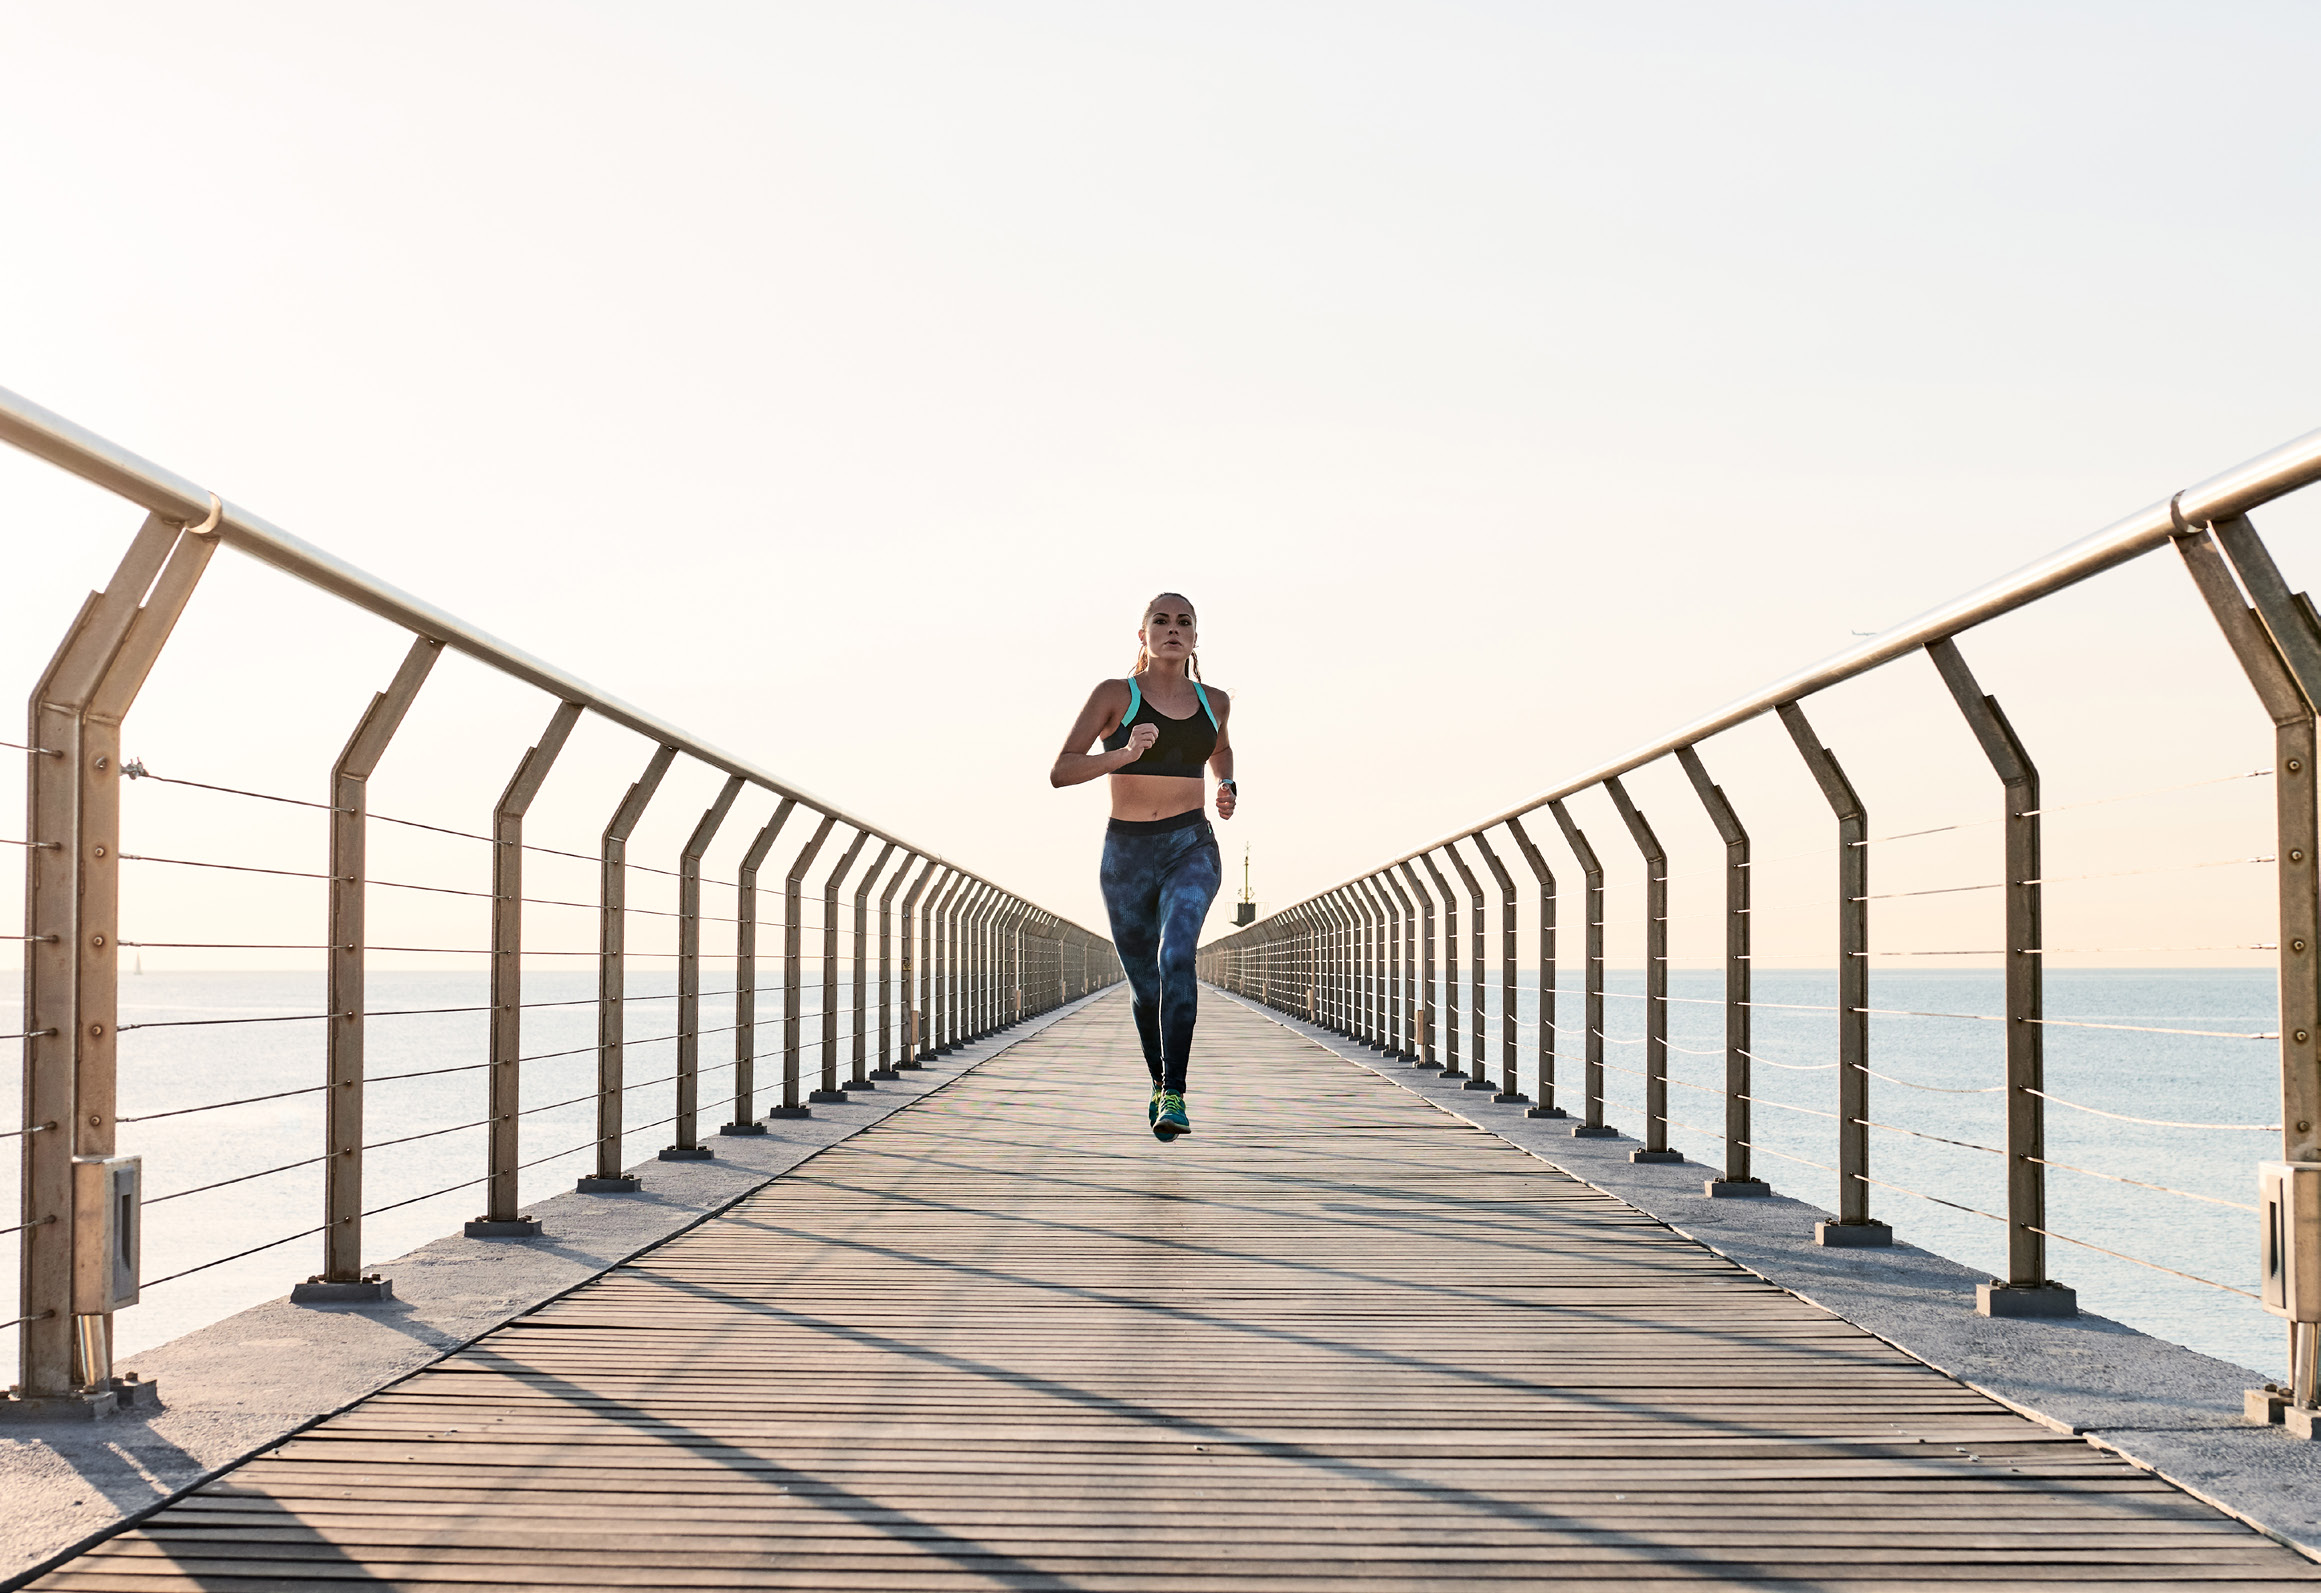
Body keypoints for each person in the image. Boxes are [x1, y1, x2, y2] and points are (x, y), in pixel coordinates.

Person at [1050, 592, 1234, 1139]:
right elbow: (1062, 770)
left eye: (1184, 623)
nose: (1172, 629)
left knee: (1177, 956)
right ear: (1143, 635)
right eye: (1161, 621)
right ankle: (1158, 1084)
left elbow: (1219, 749)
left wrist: (1225, 783)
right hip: (1127, 854)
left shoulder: (1216, 701)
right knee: (1145, 986)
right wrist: (1124, 755)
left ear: (1195, 638)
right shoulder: (1115, 695)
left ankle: (1174, 1091)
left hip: (1191, 846)